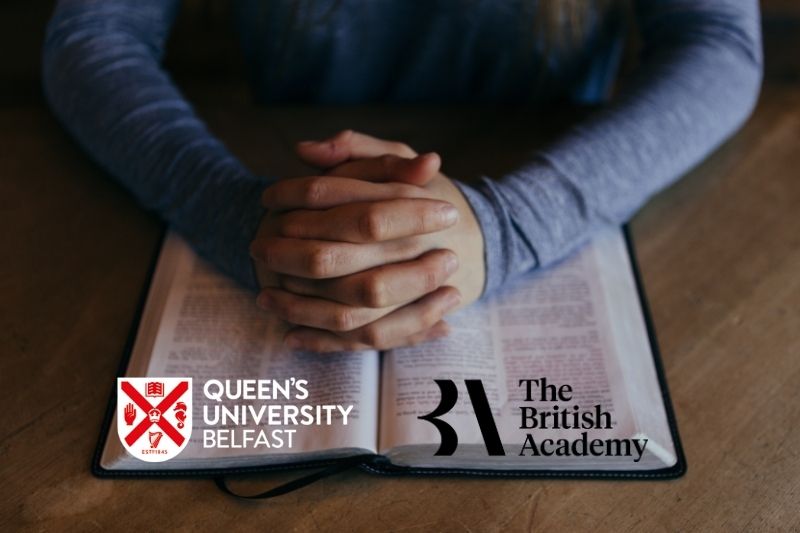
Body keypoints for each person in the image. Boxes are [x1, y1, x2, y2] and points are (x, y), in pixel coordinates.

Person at [42, 0, 762, 352]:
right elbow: (91, 36)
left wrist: (506, 225)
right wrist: (249, 220)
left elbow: (720, 43)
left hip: (551, 169)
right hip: (290, 175)